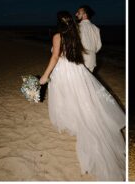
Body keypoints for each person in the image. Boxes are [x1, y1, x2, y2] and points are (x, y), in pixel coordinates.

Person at [39, 11, 125, 181]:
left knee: (67, 96)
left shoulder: (57, 36)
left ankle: (72, 120)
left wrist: (44, 76)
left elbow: (55, 56)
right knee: (81, 97)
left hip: (64, 70)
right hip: (77, 69)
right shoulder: (74, 34)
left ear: (58, 22)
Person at [75, 5, 102, 72]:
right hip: (91, 60)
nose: (76, 14)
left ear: (85, 14)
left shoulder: (77, 27)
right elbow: (99, 46)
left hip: (80, 60)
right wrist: (91, 52)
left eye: (78, 12)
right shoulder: (96, 28)